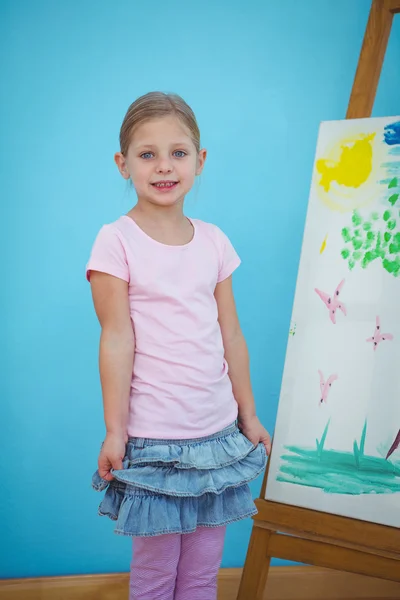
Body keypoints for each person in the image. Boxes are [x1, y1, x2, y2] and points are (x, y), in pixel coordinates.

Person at [86, 91, 271, 600]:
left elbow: (231, 334)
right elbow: (116, 338)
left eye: (178, 153)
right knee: (155, 577)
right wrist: (115, 431)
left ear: (200, 160)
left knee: (200, 576)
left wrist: (248, 415)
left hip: (217, 436)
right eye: (147, 155)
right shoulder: (115, 241)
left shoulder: (214, 241)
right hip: (155, 442)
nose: (164, 167)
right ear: (124, 164)